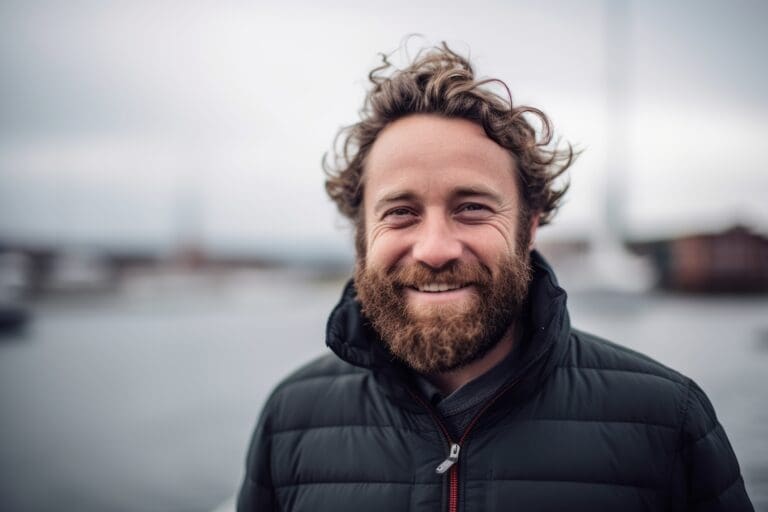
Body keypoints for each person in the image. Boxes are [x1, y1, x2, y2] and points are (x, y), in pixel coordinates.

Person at [237, 43, 753, 512]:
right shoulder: (291, 420)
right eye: (400, 212)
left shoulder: (667, 420)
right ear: (361, 237)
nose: (436, 249)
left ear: (529, 228)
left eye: (472, 208)